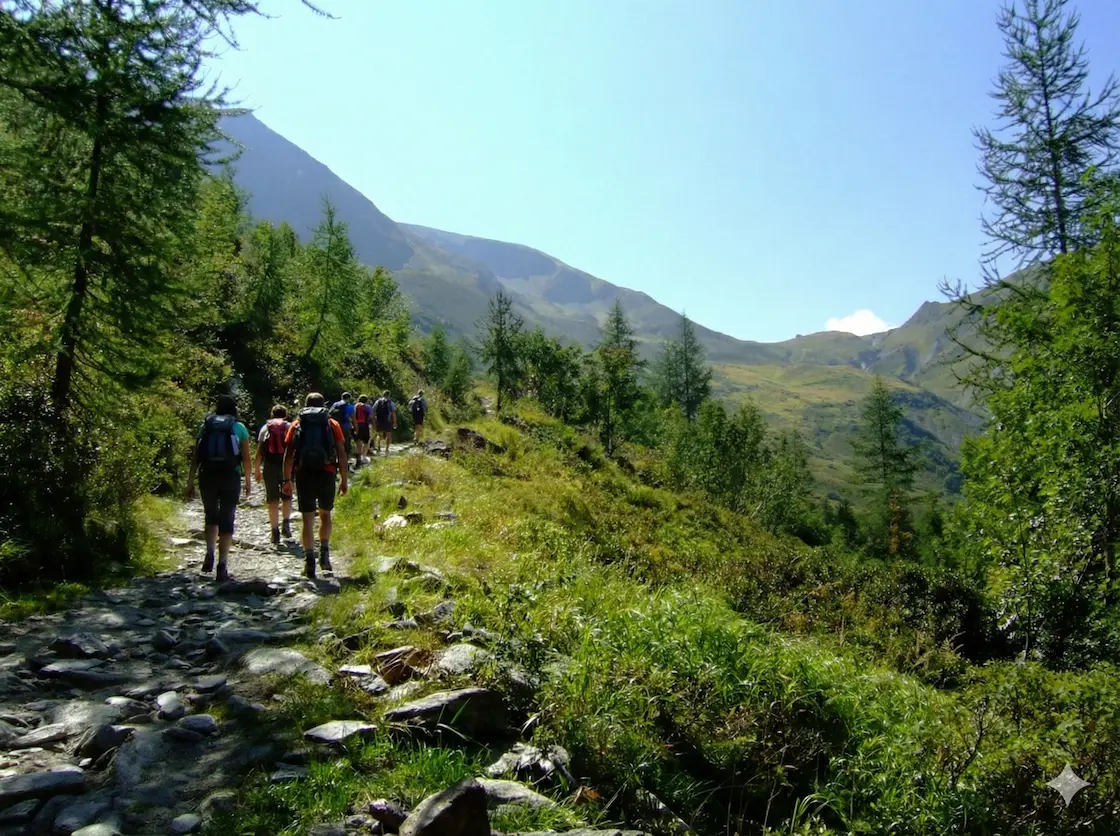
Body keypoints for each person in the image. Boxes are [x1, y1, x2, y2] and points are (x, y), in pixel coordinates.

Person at [186, 394, 251, 582]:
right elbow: (246, 458)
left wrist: (190, 482)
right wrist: (248, 481)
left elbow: (196, 457)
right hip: (231, 475)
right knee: (227, 517)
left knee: (210, 514)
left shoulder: (205, 426)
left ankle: (209, 553)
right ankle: (222, 564)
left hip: (207, 474)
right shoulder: (239, 428)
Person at [283, 392, 348, 579]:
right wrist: (344, 480)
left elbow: (288, 455)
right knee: (325, 514)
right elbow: (341, 454)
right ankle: (325, 554)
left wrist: (286, 480)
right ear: (323, 405)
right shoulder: (331, 424)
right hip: (327, 473)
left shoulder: (297, 424)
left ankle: (309, 562)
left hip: (304, 474)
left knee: (308, 519)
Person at [255, 404, 293, 547]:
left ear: (272, 414)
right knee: (287, 495)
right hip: (286, 465)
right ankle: (286, 523)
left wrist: (257, 469)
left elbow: (260, 451)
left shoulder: (266, 428)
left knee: (272, 499)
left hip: (270, 466)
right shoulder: (290, 427)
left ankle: (274, 531)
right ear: (285, 414)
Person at [329, 392, 355, 465]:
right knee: (345, 444)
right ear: (349, 398)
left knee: (334, 443)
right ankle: (344, 463)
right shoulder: (350, 406)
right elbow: (353, 419)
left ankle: (334, 460)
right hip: (345, 427)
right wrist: (356, 428)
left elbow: (330, 414)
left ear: (341, 397)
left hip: (335, 427)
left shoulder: (335, 404)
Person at [372, 390, 397, 455]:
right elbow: (393, 412)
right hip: (388, 421)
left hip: (379, 420)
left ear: (383, 394)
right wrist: (394, 422)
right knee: (388, 435)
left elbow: (373, 411)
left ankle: (378, 446)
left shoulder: (378, 402)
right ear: (389, 395)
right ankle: (386, 448)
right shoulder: (390, 402)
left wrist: (373, 420)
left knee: (379, 434)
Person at [353, 394, 372, 467]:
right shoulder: (367, 407)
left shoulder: (355, 406)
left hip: (356, 425)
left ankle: (358, 458)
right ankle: (363, 457)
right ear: (366, 400)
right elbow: (371, 417)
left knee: (358, 442)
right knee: (366, 442)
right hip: (364, 425)